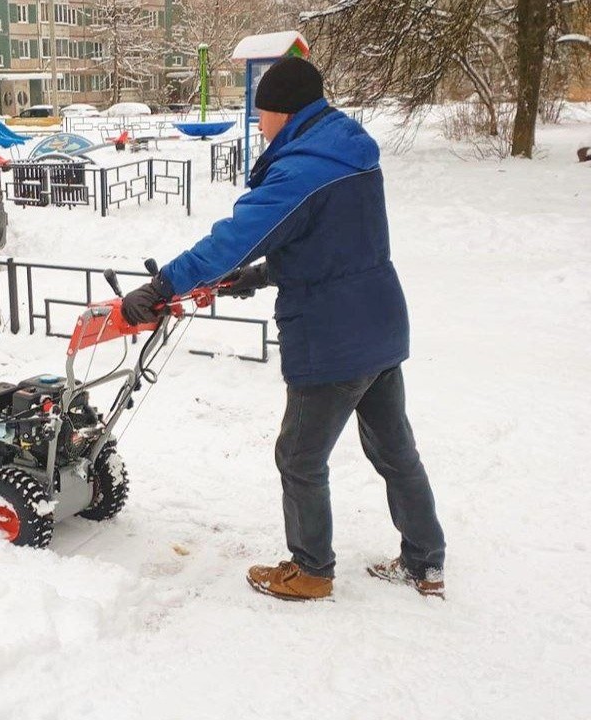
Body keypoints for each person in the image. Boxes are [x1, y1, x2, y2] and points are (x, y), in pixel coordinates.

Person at [121, 57, 446, 602]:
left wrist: (162, 287)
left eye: (261, 115)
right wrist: (262, 275)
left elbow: (233, 238)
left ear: (280, 111)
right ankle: (425, 560)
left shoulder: (302, 170)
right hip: (379, 326)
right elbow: (332, 245)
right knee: (395, 452)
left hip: (332, 340)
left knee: (299, 458)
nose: (260, 126)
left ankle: (312, 569)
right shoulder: (347, 149)